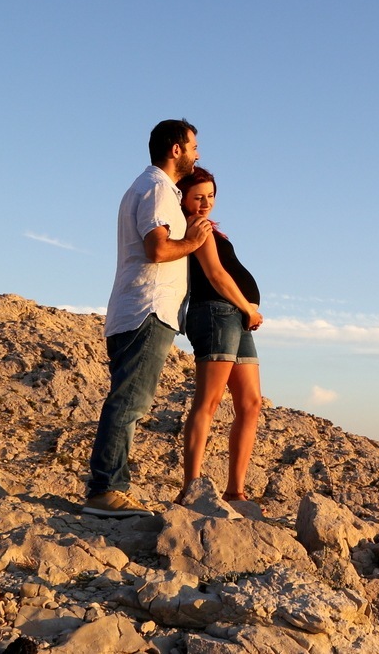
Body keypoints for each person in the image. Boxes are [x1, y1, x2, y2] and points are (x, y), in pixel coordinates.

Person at [83, 118, 213, 517]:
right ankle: (106, 489)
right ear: (176, 149)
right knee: (130, 402)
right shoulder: (156, 189)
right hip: (147, 307)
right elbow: (157, 249)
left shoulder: (153, 188)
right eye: (193, 146)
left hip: (139, 308)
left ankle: (111, 486)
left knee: (128, 399)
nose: (198, 154)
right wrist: (192, 241)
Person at [176, 165, 265, 505]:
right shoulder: (195, 227)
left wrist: (245, 311)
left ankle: (235, 491)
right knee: (208, 402)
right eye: (198, 197)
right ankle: (191, 488)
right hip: (217, 312)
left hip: (235, 317)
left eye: (210, 196)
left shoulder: (211, 228)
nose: (205, 204)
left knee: (251, 403)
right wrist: (248, 307)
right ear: (183, 198)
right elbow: (215, 274)